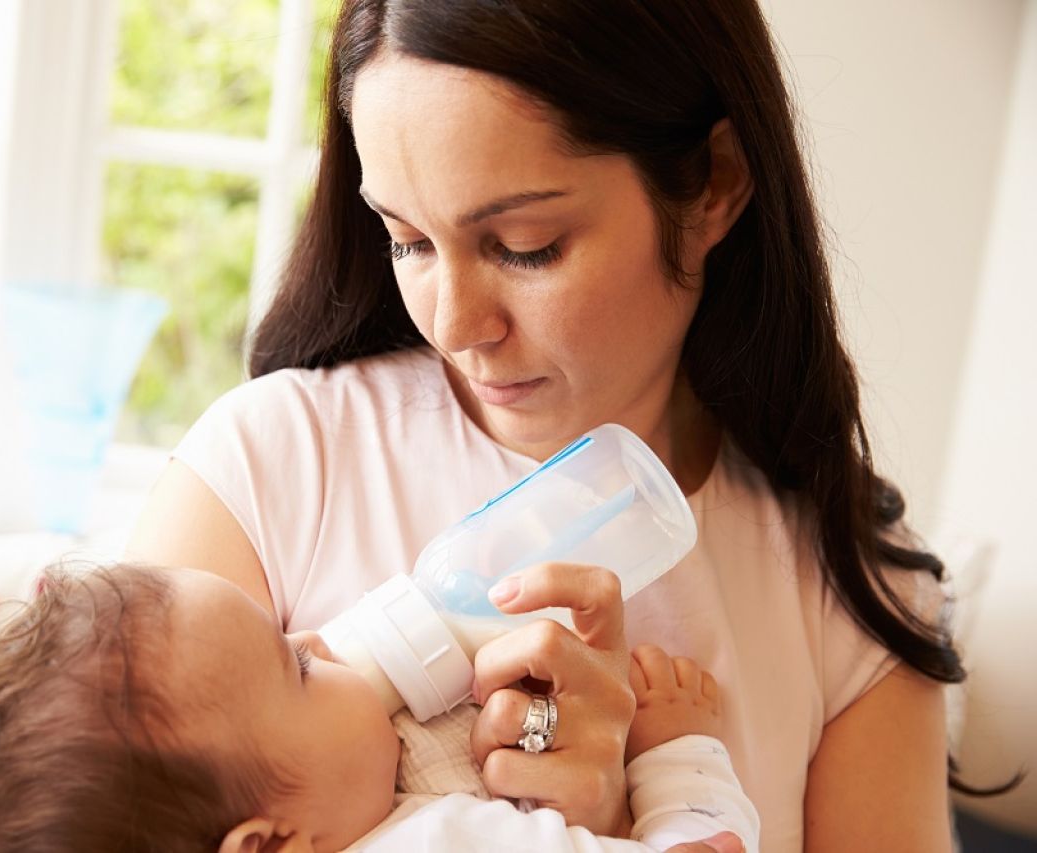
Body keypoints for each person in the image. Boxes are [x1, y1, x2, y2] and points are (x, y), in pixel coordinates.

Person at [126, 0, 963, 849]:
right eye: (407, 239)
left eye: (525, 245)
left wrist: (612, 820)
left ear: (715, 184)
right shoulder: (268, 464)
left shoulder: (851, 602)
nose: (454, 325)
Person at [0, 563, 757, 851]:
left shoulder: (318, 790)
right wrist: (678, 754)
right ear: (268, 844)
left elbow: (395, 646)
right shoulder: (434, 843)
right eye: (298, 667)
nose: (318, 638)